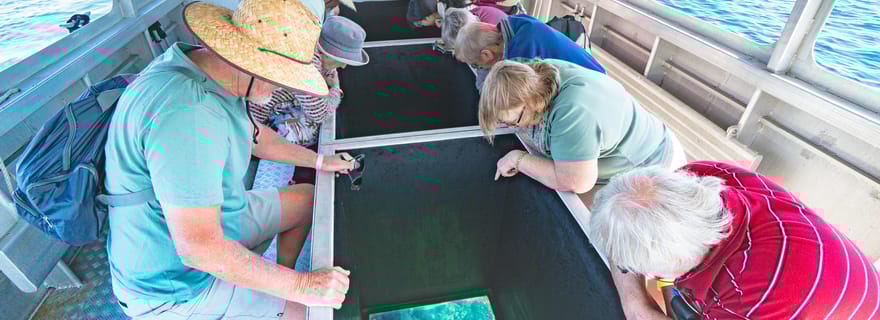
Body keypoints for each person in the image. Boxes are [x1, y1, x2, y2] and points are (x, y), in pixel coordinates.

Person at [103, 0, 354, 319]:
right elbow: (200, 249)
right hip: (174, 280)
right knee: (303, 311)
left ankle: (269, 278)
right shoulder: (188, 115)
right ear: (250, 64)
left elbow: (257, 137)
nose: (282, 86)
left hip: (219, 219)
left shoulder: (207, 71)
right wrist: (301, 287)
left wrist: (319, 162)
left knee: (310, 200)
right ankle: (272, 298)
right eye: (281, 76)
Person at [588, 162, 880, 319]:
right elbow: (627, 215)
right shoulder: (700, 176)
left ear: (674, 265)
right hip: (823, 270)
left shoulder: (748, 301)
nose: (625, 267)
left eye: (632, 266)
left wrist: (638, 309)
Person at [480, 59, 684, 205]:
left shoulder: (573, 112)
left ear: (533, 101)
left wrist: (519, 159)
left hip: (652, 164)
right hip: (638, 134)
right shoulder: (532, 72)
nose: (514, 128)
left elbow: (576, 182)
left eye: (515, 121)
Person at [248, 15, 370, 189]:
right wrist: (336, 89)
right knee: (309, 128)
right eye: (344, 61)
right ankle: (271, 177)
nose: (343, 67)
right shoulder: (308, 67)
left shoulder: (308, 46)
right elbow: (320, 113)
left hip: (263, 108)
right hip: (254, 122)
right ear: (329, 54)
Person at [454, 14, 606, 90]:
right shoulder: (517, 23)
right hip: (597, 74)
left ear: (486, 55)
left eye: (477, 65)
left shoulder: (521, 57)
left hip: (593, 88)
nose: (479, 68)